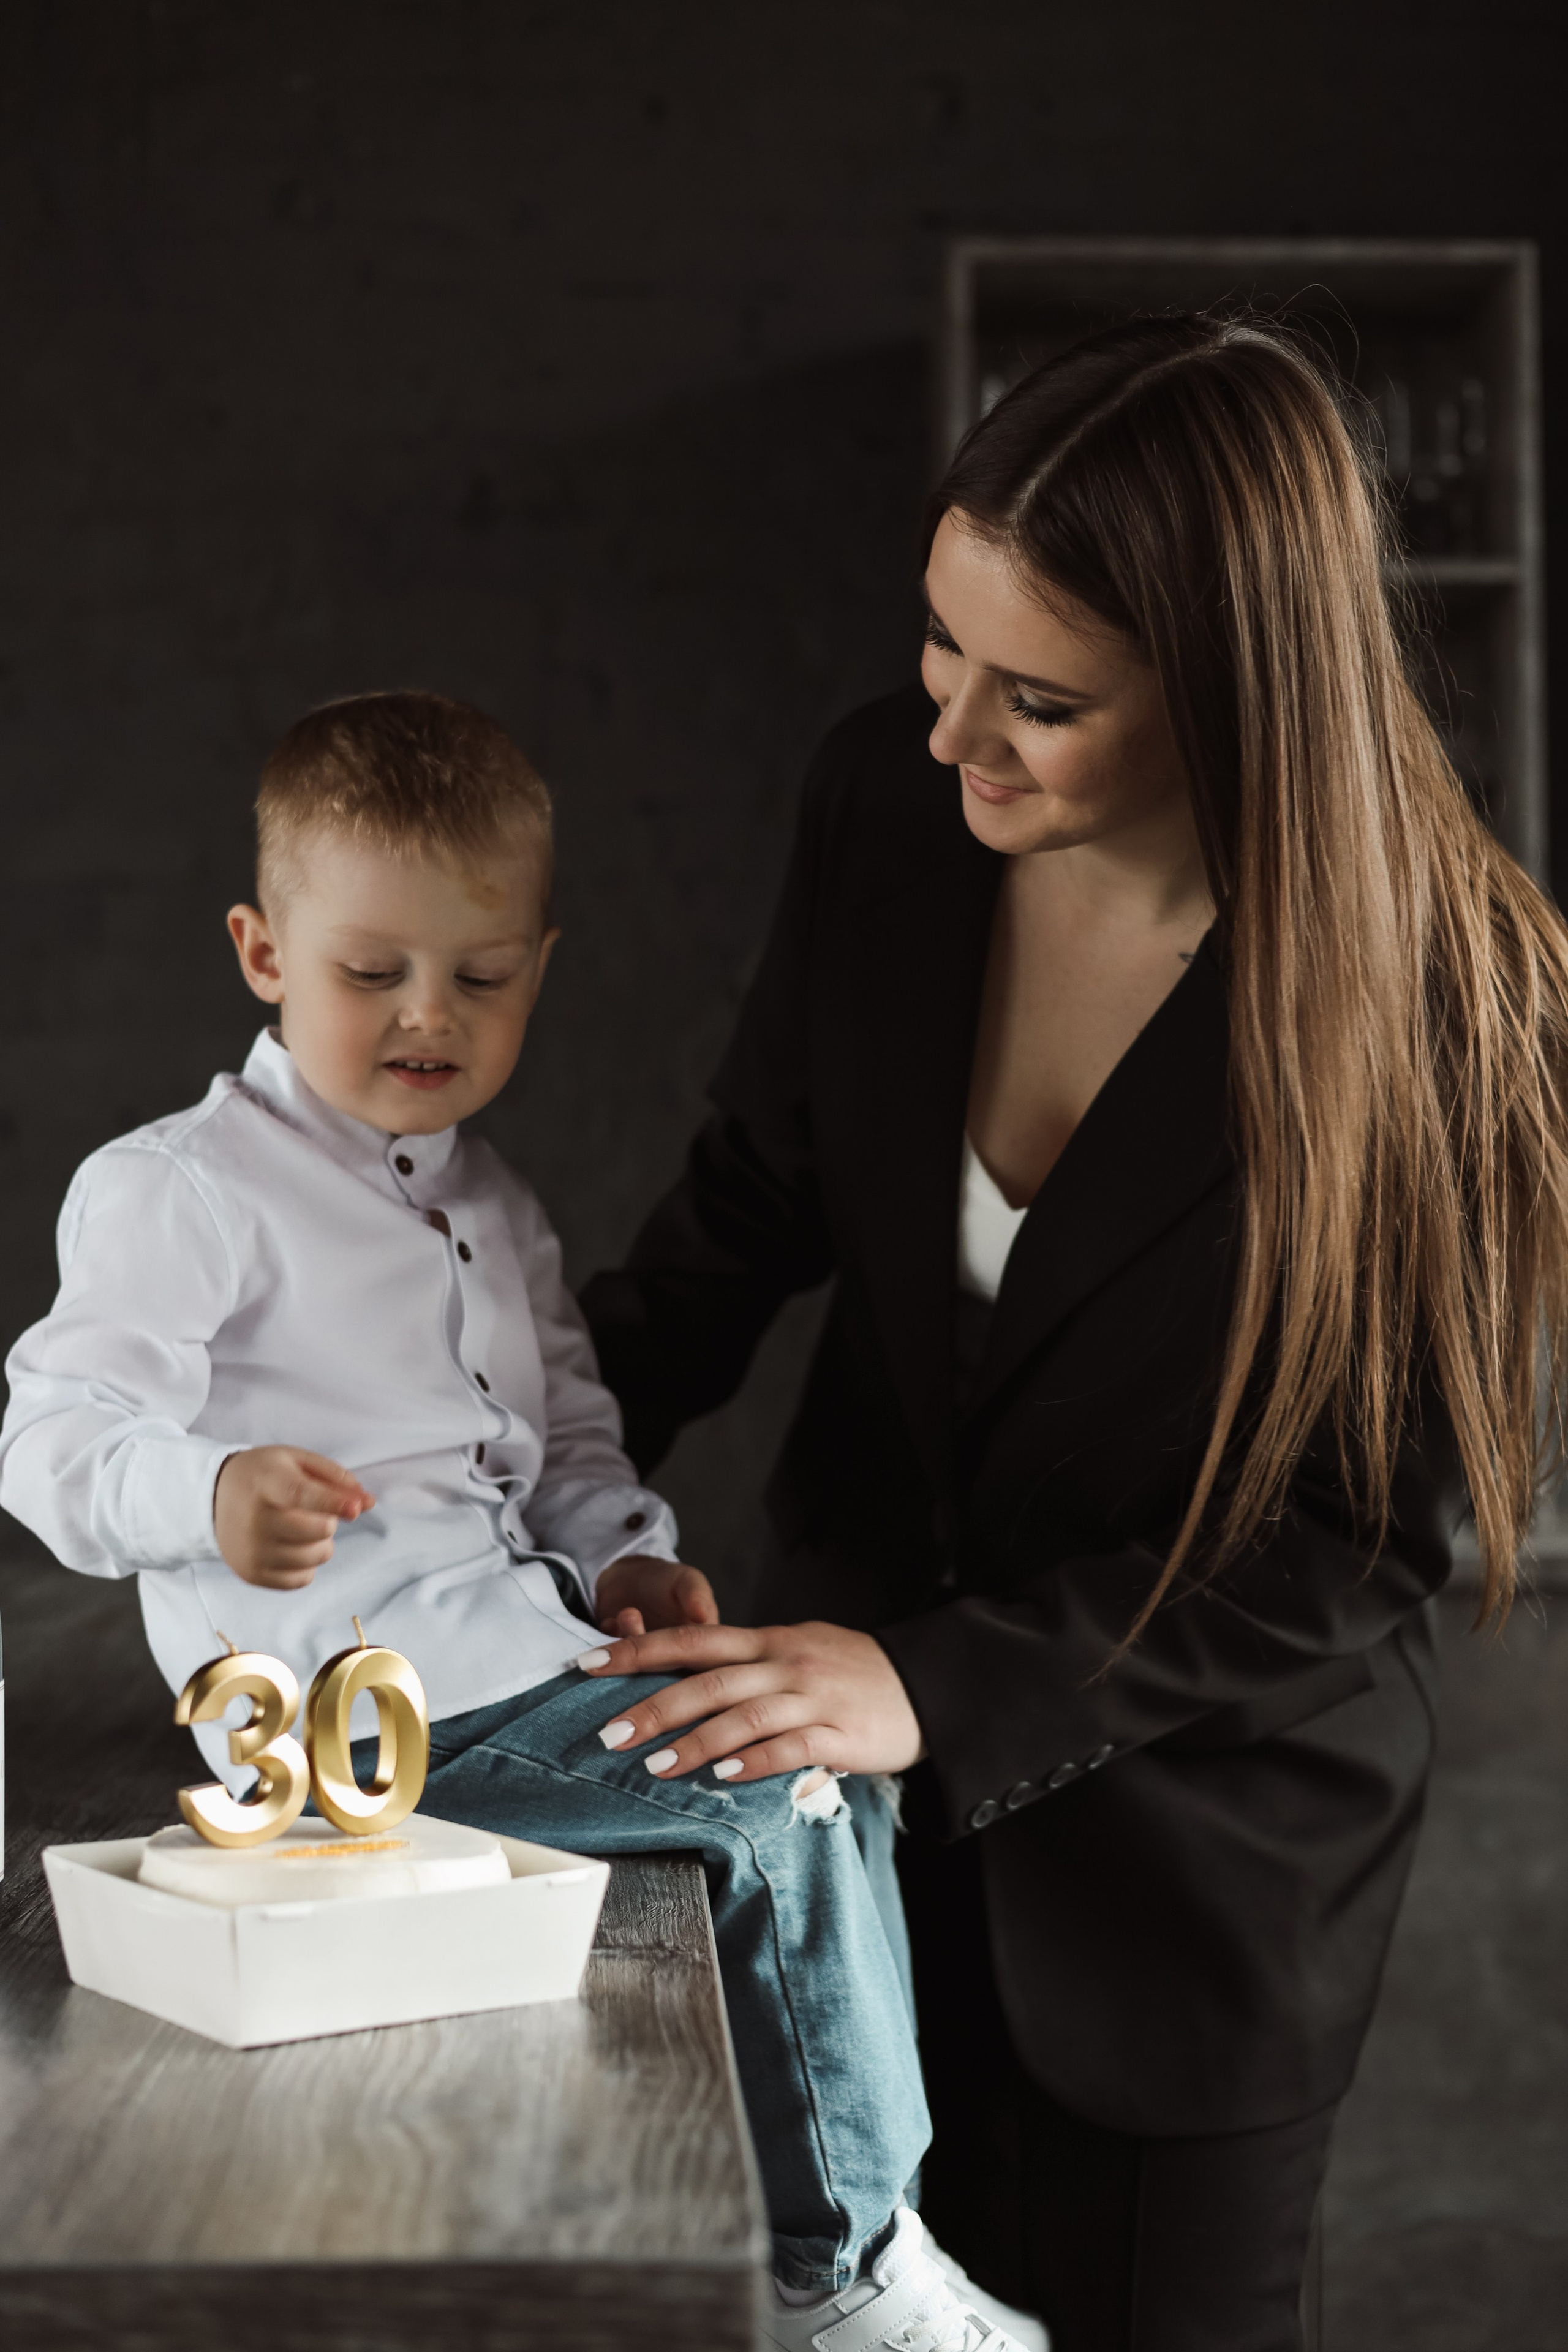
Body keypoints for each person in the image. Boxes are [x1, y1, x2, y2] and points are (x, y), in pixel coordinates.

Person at [577, 312, 1568, 2352]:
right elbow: (751, 1204)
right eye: (941, 647)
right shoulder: (886, 800)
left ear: (1237, 698)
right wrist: (487, 1446)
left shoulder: (1455, 996)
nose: (951, 736)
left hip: (1198, 1891)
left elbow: (1364, 1542)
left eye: (1039, 700)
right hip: (829, 1816)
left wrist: (936, 1684)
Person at [0, 690, 1039, 2352]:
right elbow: (48, 1439)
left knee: (824, 1762)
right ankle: (845, 2284)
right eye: (372, 973)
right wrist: (204, 1491)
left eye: (481, 978)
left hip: (523, 1672)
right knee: (786, 1794)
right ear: (263, 953)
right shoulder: (176, 1189)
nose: (429, 1015)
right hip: (345, 1732)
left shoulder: (495, 1203)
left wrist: (624, 1545)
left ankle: (821, 2244)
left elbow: (563, 1434)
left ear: (537, 969)